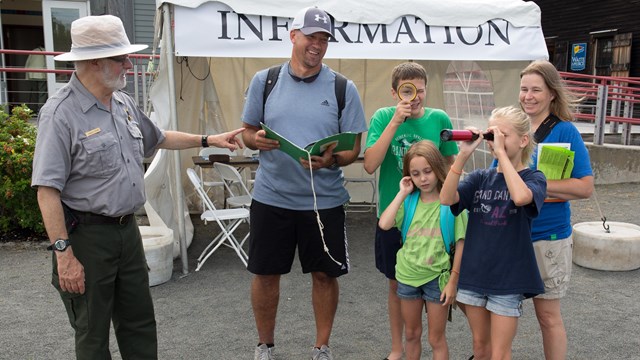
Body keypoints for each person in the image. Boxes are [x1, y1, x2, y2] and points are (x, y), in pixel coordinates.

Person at [31, 15, 244, 359]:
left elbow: (158, 138)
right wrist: (64, 254)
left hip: (128, 231)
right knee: (92, 334)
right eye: (121, 58)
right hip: (87, 238)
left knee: (139, 325)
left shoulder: (122, 104)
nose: (129, 64)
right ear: (93, 61)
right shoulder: (61, 114)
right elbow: (46, 190)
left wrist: (207, 138)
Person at [240, 6, 367, 360]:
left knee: (325, 276)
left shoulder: (343, 87)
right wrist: (256, 141)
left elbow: (354, 146)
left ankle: (321, 347)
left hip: (323, 199)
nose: (318, 44)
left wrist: (332, 159)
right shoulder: (264, 81)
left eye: (324, 38)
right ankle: (264, 345)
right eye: (312, 36)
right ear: (293, 36)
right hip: (271, 197)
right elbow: (248, 131)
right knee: (265, 275)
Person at [363, 62, 458, 360]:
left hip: (433, 214)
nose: (414, 96)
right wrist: (394, 123)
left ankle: (433, 341)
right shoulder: (382, 117)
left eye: (420, 89)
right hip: (396, 214)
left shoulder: (439, 118)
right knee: (396, 283)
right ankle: (397, 347)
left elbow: (452, 166)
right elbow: (369, 164)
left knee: (434, 278)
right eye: (407, 90)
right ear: (394, 93)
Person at [440, 106, 547, 360]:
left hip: (507, 281)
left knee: (499, 353)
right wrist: (463, 156)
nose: (495, 140)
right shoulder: (480, 178)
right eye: (492, 134)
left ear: (523, 140)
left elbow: (521, 197)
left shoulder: (534, 177)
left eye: (503, 135)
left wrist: (500, 153)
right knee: (480, 348)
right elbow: (446, 198)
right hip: (475, 275)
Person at [519, 60, 594, 360]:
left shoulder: (565, 132)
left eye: (536, 89)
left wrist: (537, 189)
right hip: (513, 234)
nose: (528, 96)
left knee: (548, 317)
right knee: (501, 309)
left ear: (552, 93)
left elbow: (585, 187)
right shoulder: (514, 128)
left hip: (549, 238)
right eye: (524, 89)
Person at [378, 140, 467, 360]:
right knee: (411, 334)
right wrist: (401, 193)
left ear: (438, 167)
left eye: (427, 171)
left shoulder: (452, 203)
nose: (423, 178)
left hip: (437, 279)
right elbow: (385, 224)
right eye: (416, 174)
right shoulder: (408, 201)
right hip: (407, 277)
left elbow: (462, 242)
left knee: (436, 339)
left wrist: (453, 280)